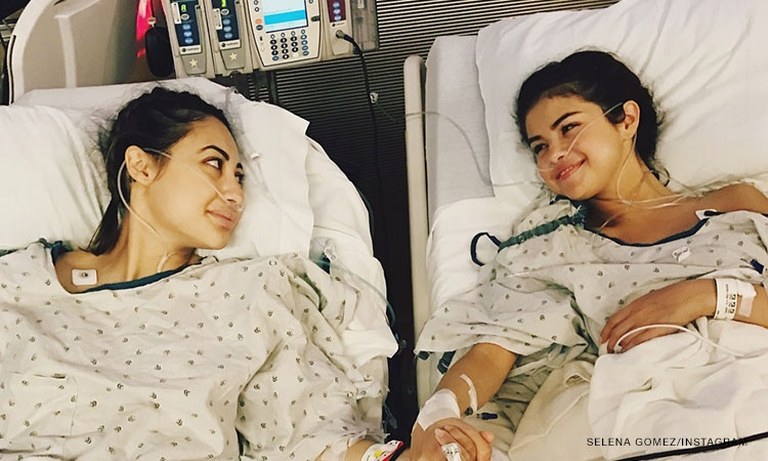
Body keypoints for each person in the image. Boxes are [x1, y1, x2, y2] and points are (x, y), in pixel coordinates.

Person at [0, 87, 404, 461]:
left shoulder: (250, 295)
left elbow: (313, 434)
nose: (236, 194)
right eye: (214, 164)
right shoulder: (16, 281)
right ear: (141, 166)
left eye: (239, 176)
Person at [410, 50, 768, 460]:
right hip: (655, 412)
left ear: (626, 120)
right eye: (539, 147)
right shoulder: (554, 246)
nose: (554, 155)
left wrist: (708, 296)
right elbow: (495, 348)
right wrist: (441, 410)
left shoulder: (737, 204)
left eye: (569, 128)